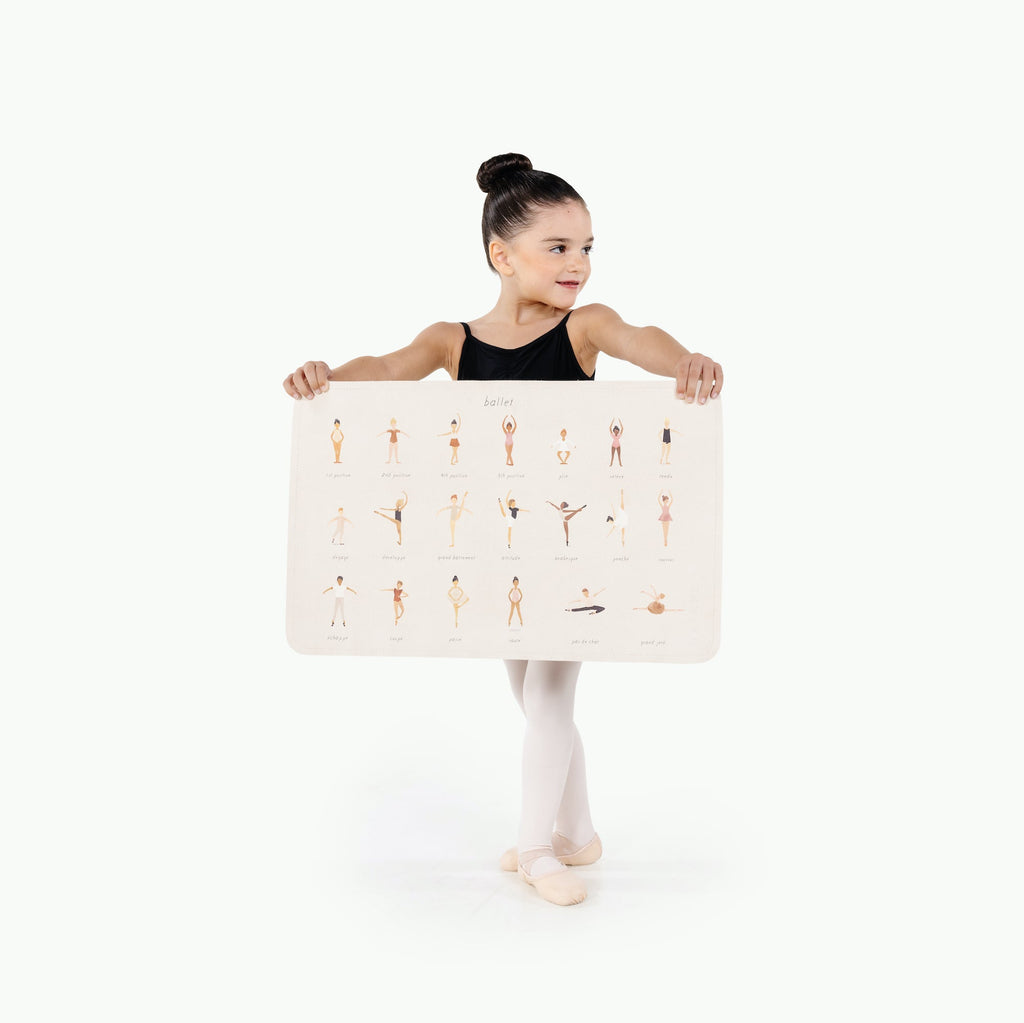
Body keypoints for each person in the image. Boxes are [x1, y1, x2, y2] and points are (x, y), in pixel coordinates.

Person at [282, 152, 724, 907]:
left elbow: (640, 336)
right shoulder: (453, 341)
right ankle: (578, 832)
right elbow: (387, 368)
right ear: (502, 254)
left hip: (570, 547)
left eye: (587, 247)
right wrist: (326, 378)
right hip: (499, 548)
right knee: (531, 693)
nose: (578, 263)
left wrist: (687, 362)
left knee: (550, 692)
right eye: (558, 247)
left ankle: (535, 848)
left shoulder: (584, 327)